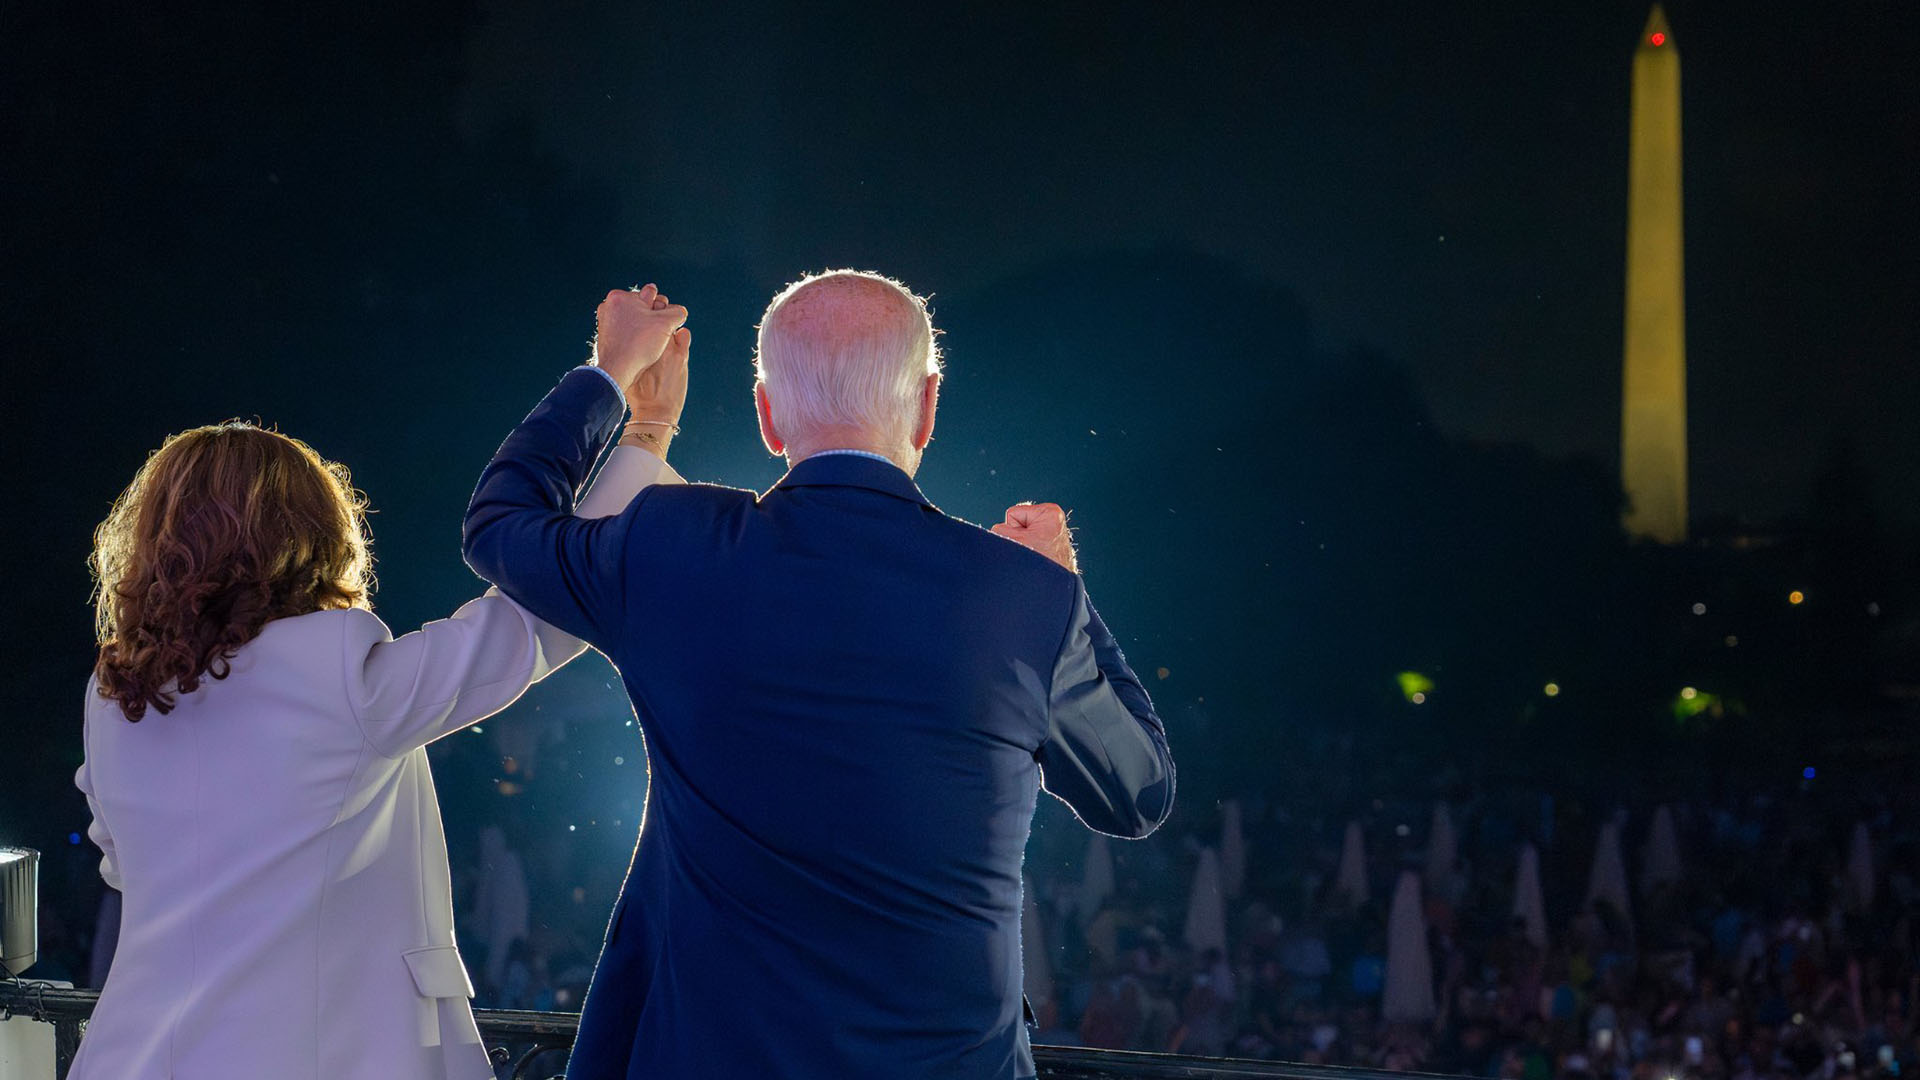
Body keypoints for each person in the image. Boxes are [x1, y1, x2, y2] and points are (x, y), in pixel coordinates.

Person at [463, 270, 1176, 1078]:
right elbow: (1138, 793)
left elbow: (501, 522)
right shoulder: (1022, 599)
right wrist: (1062, 585)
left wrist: (611, 377)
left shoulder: (676, 546)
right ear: (928, 404)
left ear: (768, 415)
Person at [70, 298, 691, 1080]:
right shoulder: (328, 665)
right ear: (311, 532)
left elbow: (123, 865)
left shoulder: (114, 696)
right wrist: (637, 428)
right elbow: (529, 623)